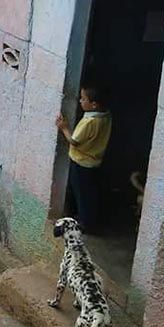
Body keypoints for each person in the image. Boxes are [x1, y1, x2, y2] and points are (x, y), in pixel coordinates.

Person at [56, 85, 112, 233]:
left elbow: (74, 141)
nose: (80, 101)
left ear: (94, 104)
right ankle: (86, 219)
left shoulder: (90, 122)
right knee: (89, 193)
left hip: (81, 162)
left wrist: (64, 128)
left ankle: (85, 223)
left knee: (81, 193)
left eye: (83, 99)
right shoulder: (106, 115)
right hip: (94, 162)